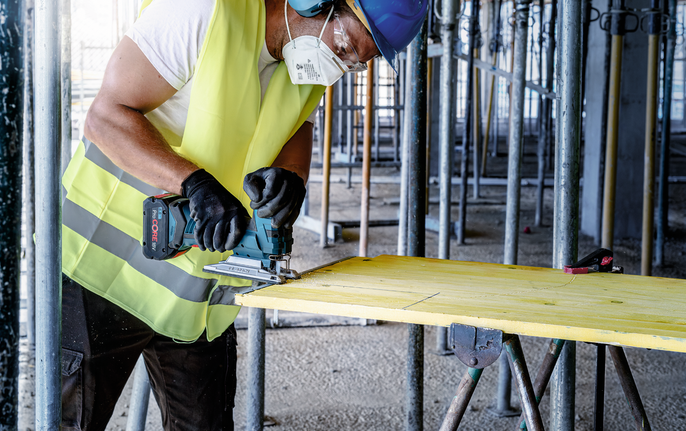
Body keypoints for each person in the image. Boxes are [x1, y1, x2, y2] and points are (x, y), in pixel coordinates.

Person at [59, 0, 428, 429]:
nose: (340, 67)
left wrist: (291, 177)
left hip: (195, 296)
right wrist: (193, 183)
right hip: (100, 276)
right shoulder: (203, 10)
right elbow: (106, 117)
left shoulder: (303, 61)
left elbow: (298, 128)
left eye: (356, 64)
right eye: (346, 48)